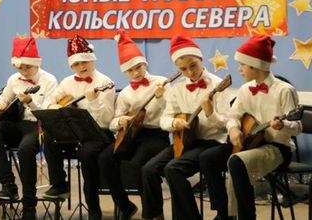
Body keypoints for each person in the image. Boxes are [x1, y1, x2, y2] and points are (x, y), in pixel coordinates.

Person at [199, 35, 302, 220]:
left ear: (255, 65)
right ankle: (225, 213)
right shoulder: (245, 89)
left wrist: (283, 125)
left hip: (277, 148)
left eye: (242, 65)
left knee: (237, 162)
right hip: (250, 142)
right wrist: (233, 129)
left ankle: (246, 216)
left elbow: (297, 127)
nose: (239, 69)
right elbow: (233, 116)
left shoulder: (284, 90)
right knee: (208, 158)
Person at [141, 35, 230, 220]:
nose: (190, 72)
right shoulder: (177, 88)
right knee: (148, 169)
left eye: (193, 65)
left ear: (201, 59)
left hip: (211, 142)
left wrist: (210, 113)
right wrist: (174, 123)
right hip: (185, 142)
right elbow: (164, 119)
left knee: (172, 169)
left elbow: (226, 125)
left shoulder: (217, 84)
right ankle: (155, 215)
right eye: (183, 69)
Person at [98, 31, 170, 220]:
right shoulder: (125, 94)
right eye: (131, 70)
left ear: (145, 64)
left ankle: (153, 214)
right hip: (132, 136)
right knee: (105, 158)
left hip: (157, 135)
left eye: (138, 67)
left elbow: (172, 110)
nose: (136, 72)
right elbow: (113, 122)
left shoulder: (162, 83)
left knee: (138, 165)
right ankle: (125, 205)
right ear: (125, 72)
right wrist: (121, 121)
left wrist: (162, 98)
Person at [42, 34, 115, 220]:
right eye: (76, 64)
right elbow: (48, 102)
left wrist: (93, 102)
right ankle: (59, 184)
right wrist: (56, 107)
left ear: (92, 60)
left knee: (86, 154)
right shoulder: (67, 82)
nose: (81, 67)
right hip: (75, 133)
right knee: (50, 137)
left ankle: (94, 208)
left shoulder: (105, 82)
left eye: (84, 62)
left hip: (98, 134)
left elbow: (107, 120)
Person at [0, 36, 58, 220]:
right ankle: (8, 185)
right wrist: (0, 105)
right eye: (20, 68)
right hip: (19, 124)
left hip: (39, 125)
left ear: (37, 64)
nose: (24, 72)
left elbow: (48, 114)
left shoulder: (49, 80)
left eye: (28, 67)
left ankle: (29, 205)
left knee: (25, 150)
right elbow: (3, 99)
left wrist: (31, 102)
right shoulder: (14, 79)